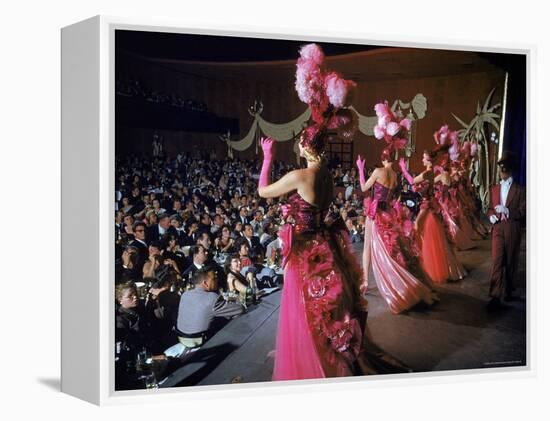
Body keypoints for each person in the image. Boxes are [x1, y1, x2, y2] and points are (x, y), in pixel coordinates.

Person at [356, 145, 436, 314]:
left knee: (368, 248)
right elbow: (395, 196)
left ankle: (365, 281)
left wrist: (360, 169)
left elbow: (364, 188)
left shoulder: (378, 171)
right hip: (388, 213)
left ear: (383, 157)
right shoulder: (395, 175)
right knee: (392, 249)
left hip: (376, 214)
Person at [400, 148, 467, 283]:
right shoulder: (431, 173)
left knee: (418, 229)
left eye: (423, 157)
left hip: (426, 207)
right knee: (431, 236)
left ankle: (421, 263)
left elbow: (412, 181)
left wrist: (403, 169)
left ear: (428, 160)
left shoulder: (427, 173)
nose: (422, 159)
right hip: (430, 206)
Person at [486, 152, 526, 311]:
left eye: (504, 169)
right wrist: (491, 217)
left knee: (510, 261)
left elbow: (524, 212)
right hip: (498, 228)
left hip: (512, 227)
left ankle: (509, 289)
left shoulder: (520, 190)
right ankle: (495, 296)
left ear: (510, 170)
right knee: (497, 261)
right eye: (501, 169)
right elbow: (489, 209)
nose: (502, 171)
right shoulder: (494, 189)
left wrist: (508, 211)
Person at [176, 268, 245, 348]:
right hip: (203, 340)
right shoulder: (212, 298)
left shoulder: (185, 295)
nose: (217, 280)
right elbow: (239, 309)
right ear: (205, 283)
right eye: (214, 278)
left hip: (182, 338)